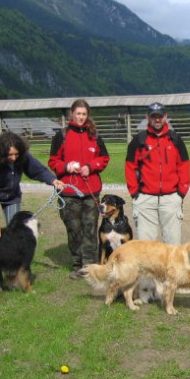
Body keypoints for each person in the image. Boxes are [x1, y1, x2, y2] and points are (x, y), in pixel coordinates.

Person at [49, 99, 110, 279]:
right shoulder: (62, 135)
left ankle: (89, 267)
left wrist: (91, 167)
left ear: (87, 115)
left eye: (84, 114)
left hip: (90, 191)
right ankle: (77, 264)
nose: (81, 117)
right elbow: (53, 161)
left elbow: (104, 158)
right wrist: (66, 167)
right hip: (68, 191)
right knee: (74, 229)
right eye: (78, 114)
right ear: (72, 114)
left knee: (90, 229)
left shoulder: (95, 135)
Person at [0, 131, 65, 237]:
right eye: (10, 155)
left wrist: (52, 180)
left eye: (16, 154)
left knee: (14, 232)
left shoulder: (23, 155)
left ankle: (11, 253)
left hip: (11, 195)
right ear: (2, 152)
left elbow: (37, 170)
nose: (14, 158)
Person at [125, 102, 190, 244]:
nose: (157, 120)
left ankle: (170, 268)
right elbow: (130, 167)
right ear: (147, 117)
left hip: (171, 198)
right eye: (154, 116)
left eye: (160, 116)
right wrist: (135, 192)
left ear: (165, 117)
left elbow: (184, 166)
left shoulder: (176, 140)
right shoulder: (138, 141)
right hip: (145, 200)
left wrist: (181, 192)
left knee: (173, 246)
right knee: (146, 248)